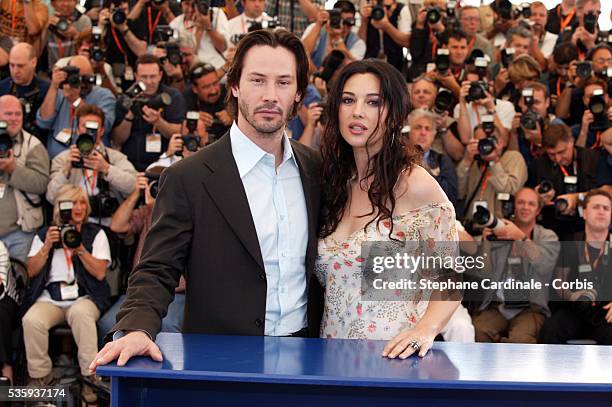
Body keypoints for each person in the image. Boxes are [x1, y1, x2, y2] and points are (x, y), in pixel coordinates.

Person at [89, 29, 323, 370]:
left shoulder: (315, 170)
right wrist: (138, 326)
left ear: (298, 92)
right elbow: (156, 267)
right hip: (219, 360)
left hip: (306, 357)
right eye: (257, 80)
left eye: (284, 82)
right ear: (235, 86)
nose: (271, 95)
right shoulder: (188, 177)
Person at [316, 59, 459, 358]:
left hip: (393, 363)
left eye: (373, 102)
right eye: (348, 100)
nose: (357, 112)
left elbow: (451, 277)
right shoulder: (335, 185)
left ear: (394, 114)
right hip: (331, 360)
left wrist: (426, 330)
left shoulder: (414, 183)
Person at [22, 185, 111, 402]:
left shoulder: (95, 233)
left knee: (81, 315)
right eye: (72, 203)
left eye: (82, 203)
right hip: (51, 297)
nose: (78, 208)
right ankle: (41, 378)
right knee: (31, 320)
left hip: (84, 296)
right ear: (61, 208)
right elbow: (31, 271)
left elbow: (100, 273)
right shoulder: (46, 233)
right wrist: (46, 246)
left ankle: (91, 377)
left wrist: (79, 248)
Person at [471, 187, 560, 343]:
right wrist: (486, 244)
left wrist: (520, 237)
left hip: (530, 307)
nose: (525, 207)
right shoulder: (500, 231)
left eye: (531, 204)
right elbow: (483, 273)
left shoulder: (547, 236)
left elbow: (544, 265)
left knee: (519, 341)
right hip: (498, 305)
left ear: (538, 210)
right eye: (521, 202)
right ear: (514, 206)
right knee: (479, 331)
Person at [539, 189, 612, 344]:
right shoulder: (570, 242)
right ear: (584, 213)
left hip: (607, 312)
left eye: (606, 208)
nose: (601, 211)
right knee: (551, 329)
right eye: (596, 207)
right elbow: (558, 283)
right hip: (574, 309)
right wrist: (571, 296)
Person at [46, 103, 137, 224]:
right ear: (78, 130)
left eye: (94, 127)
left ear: (102, 131)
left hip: (108, 223)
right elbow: (52, 197)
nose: (90, 132)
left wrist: (107, 168)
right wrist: (66, 171)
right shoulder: (62, 159)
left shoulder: (115, 157)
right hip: (73, 224)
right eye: (85, 126)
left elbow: (133, 187)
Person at [0, 95, 50, 262]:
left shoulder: (33, 145)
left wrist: (13, 170)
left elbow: (42, 183)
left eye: (18, 114)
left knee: (19, 284)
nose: (14, 119)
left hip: (20, 234)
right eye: (8, 114)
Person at [36, 55, 116, 159]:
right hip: (58, 162)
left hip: (91, 159)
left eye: (87, 78)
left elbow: (104, 126)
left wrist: (75, 100)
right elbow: (43, 122)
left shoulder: (104, 96)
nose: (82, 83)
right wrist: (54, 86)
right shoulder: (60, 93)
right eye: (77, 78)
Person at [406, 108, 458, 207]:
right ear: (409, 132)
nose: (423, 133)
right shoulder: (397, 159)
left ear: (434, 135)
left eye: (427, 129)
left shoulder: (442, 160)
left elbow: (451, 197)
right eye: (418, 127)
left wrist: (428, 172)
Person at [0, 43, 50, 144]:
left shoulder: (48, 89)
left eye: (20, 66)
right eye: (12, 65)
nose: (15, 71)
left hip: (38, 143)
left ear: (33, 62)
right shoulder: (2, 88)